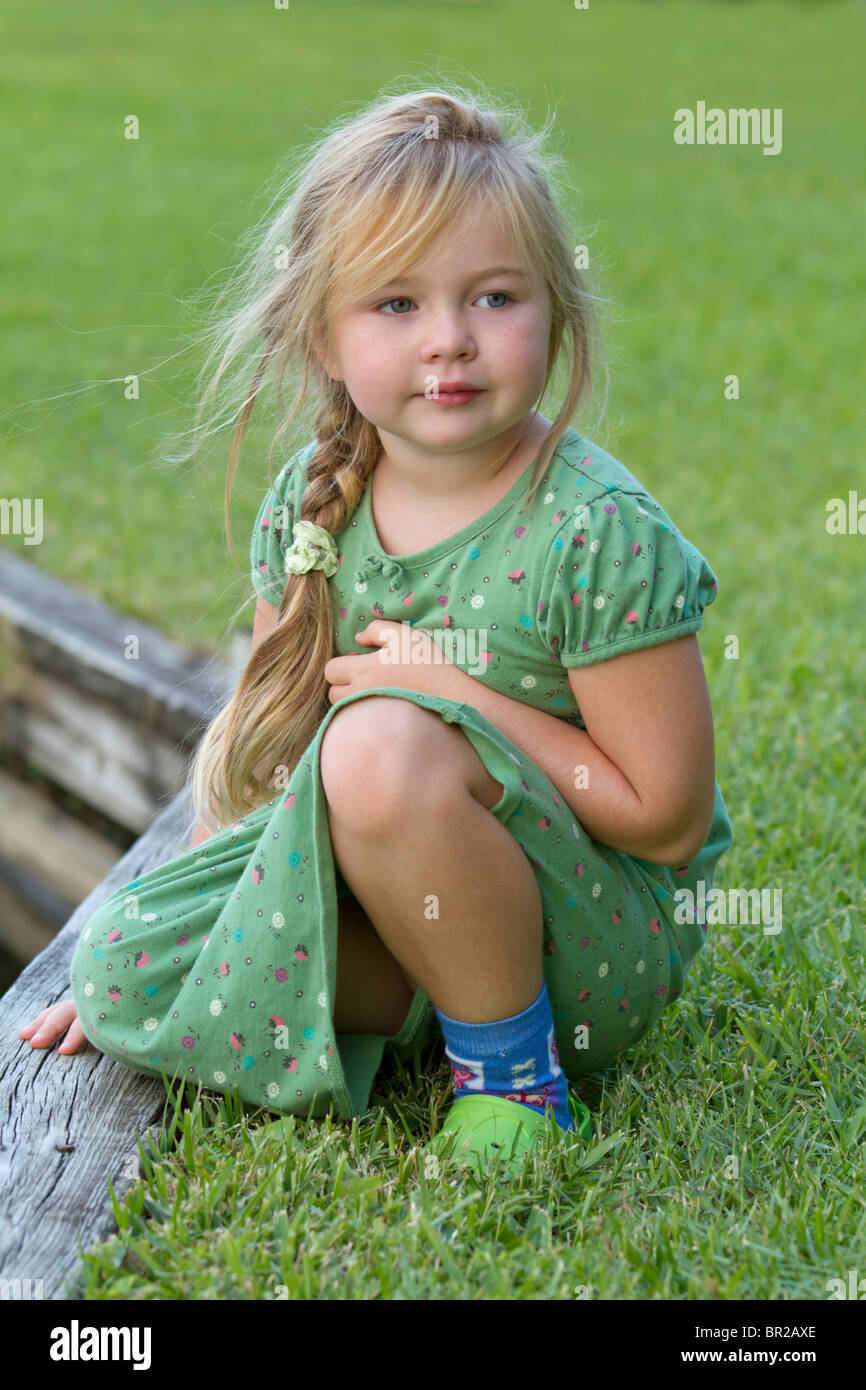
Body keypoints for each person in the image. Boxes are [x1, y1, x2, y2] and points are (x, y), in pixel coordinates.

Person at [20, 84, 733, 1168]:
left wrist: (461, 698)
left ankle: (514, 1079)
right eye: (395, 306)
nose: (448, 341)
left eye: (493, 297)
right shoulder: (310, 510)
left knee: (377, 743)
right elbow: (268, 766)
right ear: (321, 332)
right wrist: (180, 963)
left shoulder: (594, 532)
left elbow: (664, 820)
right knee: (113, 962)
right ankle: (434, 1006)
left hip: (588, 947)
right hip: (398, 894)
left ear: (555, 308)